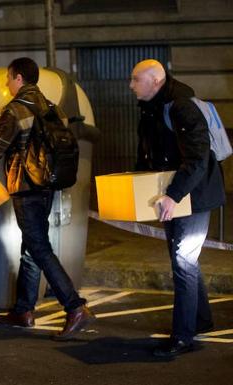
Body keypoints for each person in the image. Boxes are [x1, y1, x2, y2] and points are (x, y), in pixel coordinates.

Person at [0, 57, 95, 340]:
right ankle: (23, 311)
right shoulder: (51, 107)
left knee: (39, 247)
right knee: (31, 247)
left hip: (26, 185)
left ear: (18, 78)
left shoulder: (16, 109)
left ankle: (75, 307)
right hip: (47, 185)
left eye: (9, 78)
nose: (7, 84)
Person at [129, 59, 226, 357]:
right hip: (176, 195)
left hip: (192, 196)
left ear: (155, 81)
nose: (131, 85)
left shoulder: (181, 106)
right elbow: (149, 155)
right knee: (184, 259)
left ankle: (183, 337)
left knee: (182, 262)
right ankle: (201, 320)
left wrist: (172, 195)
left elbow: (197, 159)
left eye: (136, 79)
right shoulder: (152, 108)